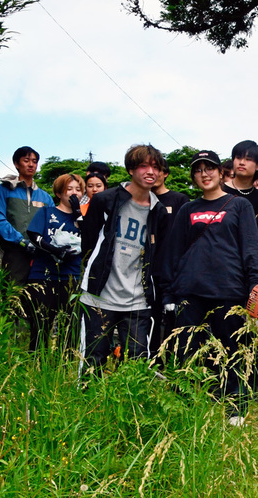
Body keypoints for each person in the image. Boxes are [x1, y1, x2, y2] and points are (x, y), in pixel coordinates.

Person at [161, 151, 258, 424]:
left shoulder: (238, 205)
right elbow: (174, 252)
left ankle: (236, 405)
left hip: (229, 289)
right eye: (198, 170)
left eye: (210, 168)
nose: (204, 174)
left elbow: (251, 249)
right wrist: (169, 292)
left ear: (222, 173)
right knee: (184, 348)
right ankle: (181, 402)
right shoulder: (188, 209)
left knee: (234, 348)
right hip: (190, 290)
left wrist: (255, 287)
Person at [78, 144, 168, 372]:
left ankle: (130, 407)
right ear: (131, 169)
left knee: (136, 362)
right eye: (144, 166)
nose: (151, 172)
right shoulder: (105, 201)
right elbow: (88, 244)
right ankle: (89, 405)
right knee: (93, 359)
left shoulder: (158, 211)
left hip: (138, 298)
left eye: (156, 167)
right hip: (100, 294)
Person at [22, 174, 84, 350]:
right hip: (43, 275)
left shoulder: (82, 218)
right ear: (59, 192)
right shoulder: (46, 212)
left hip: (71, 275)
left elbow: (90, 240)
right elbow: (34, 235)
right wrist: (54, 250)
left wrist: (78, 213)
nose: (74, 193)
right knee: (41, 324)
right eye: (69, 189)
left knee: (70, 324)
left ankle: (64, 365)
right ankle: (35, 363)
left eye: (78, 190)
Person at [0, 146, 55, 286]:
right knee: (13, 294)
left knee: (39, 295)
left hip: (41, 253)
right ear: (17, 164)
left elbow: (52, 223)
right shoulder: (4, 190)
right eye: (26, 160)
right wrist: (20, 241)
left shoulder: (45, 197)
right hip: (15, 252)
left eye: (34, 161)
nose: (31, 164)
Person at [150, 161, 192, 355]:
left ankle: (173, 361)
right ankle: (151, 359)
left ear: (165, 173)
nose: (153, 174)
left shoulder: (179, 199)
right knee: (150, 317)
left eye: (157, 170)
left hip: (172, 269)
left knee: (173, 317)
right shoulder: (142, 199)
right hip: (145, 268)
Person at [222, 140, 258, 279]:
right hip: (225, 254)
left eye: (248, 159)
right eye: (238, 158)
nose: (241, 162)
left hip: (256, 257)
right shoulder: (220, 190)